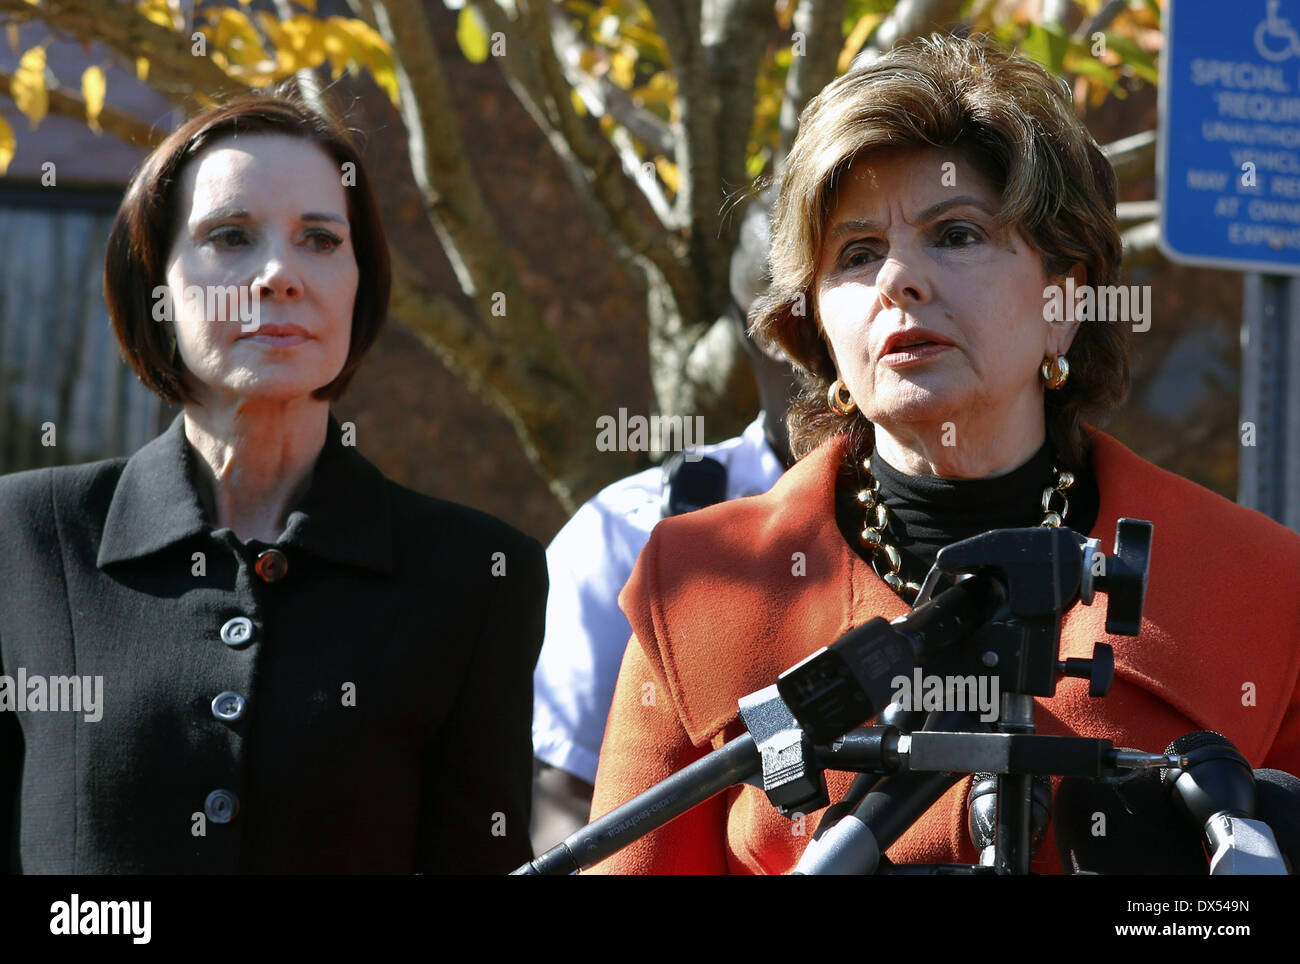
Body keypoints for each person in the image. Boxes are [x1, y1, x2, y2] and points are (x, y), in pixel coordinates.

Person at [585, 33, 1300, 874]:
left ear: (1065, 303)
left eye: (956, 235)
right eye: (856, 254)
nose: (899, 280)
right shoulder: (697, 587)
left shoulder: (1259, 586)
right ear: (815, 329)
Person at [0, 85, 547, 874]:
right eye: (230, 236)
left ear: (360, 285)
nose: (280, 276)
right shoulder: (26, 539)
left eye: (321, 240)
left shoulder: (476, 575)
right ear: (158, 284)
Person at [531, 194, 797, 850]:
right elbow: (561, 801)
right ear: (750, 323)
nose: (816, 330)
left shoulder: (1037, 532)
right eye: (786, 306)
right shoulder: (626, 533)